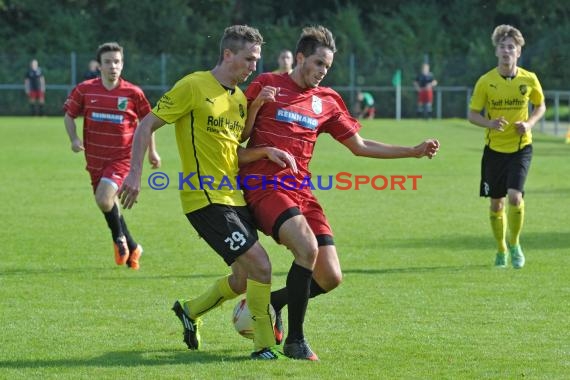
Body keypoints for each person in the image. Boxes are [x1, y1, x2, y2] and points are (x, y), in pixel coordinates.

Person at [238, 25, 440, 361]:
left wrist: (413, 151)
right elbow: (239, 137)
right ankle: (295, 342)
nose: (321, 71)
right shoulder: (267, 85)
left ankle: (272, 302)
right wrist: (257, 106)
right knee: (306, 248)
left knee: (330, 276)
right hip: (264, 186)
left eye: (326, 67)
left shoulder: (327, 101)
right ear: (300, 57)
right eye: (317, 63)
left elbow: (359, 146)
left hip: (301, 189)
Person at [118, 25, 293, 360]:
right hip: (205, 199)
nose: (253, 66)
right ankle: (263, 346)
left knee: (243, 278)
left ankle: (190, 310)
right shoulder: (193, 85)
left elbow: (234, 149)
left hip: (234, 197)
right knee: (262, 266)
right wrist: (135, 174)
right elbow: (145, 125)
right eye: (248, 58)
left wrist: (264, 147)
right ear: (228, 54)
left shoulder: (240, 99)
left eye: (256, 59)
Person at [63, 42, 161, 270]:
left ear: (122, 64)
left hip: (122, 159)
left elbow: (148, 123)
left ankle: (119, 239)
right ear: (99, 65)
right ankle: (133, 246)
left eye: (117, 61)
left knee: (103, 199)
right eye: (107, 62)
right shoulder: (85, 90)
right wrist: (74, 139)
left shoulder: (133, 93)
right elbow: (69, 115)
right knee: (107, 202)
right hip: (95, 160)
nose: (113, 66)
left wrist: (152, 151)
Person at [468, 25, 545, 269]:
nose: (506, 51)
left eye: (511, 47)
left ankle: (515, 243)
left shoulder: (529, 79)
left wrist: (530, 123)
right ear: (496, 51)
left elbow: (540, 106)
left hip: (521, 148)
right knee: (496, 203)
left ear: (519, 52)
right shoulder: (486, 81)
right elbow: (472, 115)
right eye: (502, 47)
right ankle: (501, 248)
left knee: (515, 196)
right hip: (494, 151)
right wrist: (489, 122)